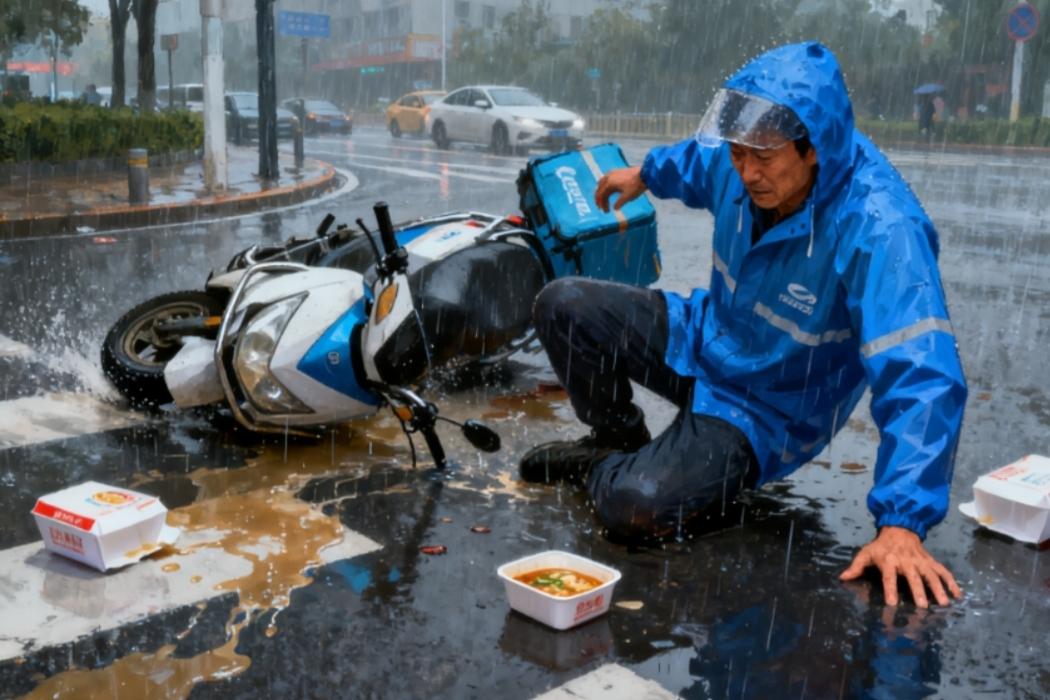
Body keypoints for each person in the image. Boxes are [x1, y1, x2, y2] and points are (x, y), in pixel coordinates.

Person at [518, 42, 967, 609]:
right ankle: (615, 438)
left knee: (635, 507)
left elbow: (922, 372)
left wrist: (902, 523)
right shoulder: (741, 161)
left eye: (766, 157)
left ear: (814, 149)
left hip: (766, 406)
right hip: (703, 336)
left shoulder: (881, 227)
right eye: (739, 153)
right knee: (563, 303)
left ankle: (609, 469)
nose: (747, 172)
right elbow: (699, 161)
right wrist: (645, 174)